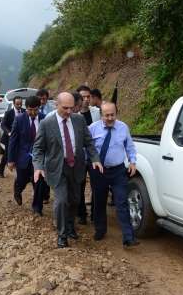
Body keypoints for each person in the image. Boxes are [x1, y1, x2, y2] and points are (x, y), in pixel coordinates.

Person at [33, 92, 103, 248]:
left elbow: (88, 142)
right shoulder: (46, 123)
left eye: (72, 108)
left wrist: (95, 159)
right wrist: (38, 167)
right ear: (56, 105)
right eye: (65, 108)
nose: (69, 112)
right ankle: (62, 233)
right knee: (62, 201)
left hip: (76, 167)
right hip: (57, 168)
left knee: (75, 201)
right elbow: (38, 149)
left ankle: (70, 225)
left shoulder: (79, 120)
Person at [87, 102, 140, 247]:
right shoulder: (92, 129)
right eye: (107, 115)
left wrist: (132, 162)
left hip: (118, 171)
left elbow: (129, 146)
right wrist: (90, 162)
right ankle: (100, 230)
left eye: (113, 115)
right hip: (99, 171)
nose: (110, 118)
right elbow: (86, 147)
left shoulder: (123, 127)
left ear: (116, 114)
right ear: (101, 115)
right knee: (99, 201)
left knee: (122, 202)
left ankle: (128, 237)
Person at [7, 96, 46, 215]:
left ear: (39, 108)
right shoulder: (19, 119)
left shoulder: (44, 119)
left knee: (39, 183)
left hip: (39, 158)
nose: (33, 113)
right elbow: (13, 140)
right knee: (22, 180)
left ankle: (37, 207)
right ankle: (17, 188)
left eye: (36, 110)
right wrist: (11, 160)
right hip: (23, 156)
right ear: (26, 108)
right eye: (30, 110)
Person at [76, 86, 101, 224]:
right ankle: (81, 213)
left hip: (94, 155)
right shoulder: (73, 114)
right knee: (80, 184)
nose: (86, 99)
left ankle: (95, 213)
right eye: (83, 97)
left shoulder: (97, 112)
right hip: (79, 155)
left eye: (88, 96)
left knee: (97, 184)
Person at [0, 96, 24, 178]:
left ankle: (22, 174)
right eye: (17, 104)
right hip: (10, 137)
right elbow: (3, 124)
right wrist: (9, 132)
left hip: (22, 138)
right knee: (6, 155)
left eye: (21, 104)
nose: (19, 106)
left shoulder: (25, 112)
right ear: (13, 104)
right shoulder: (8, 113)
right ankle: (1, 172)